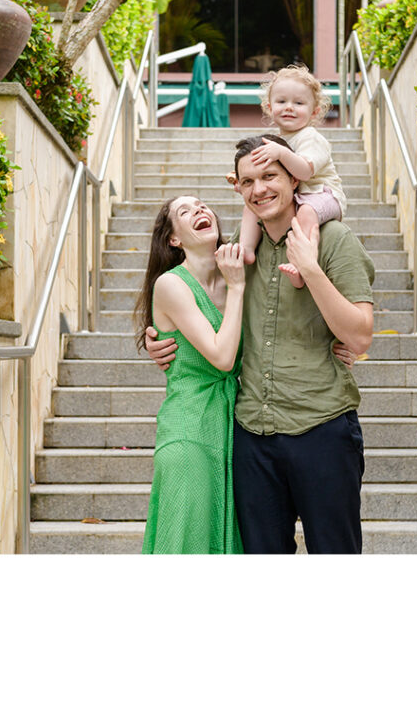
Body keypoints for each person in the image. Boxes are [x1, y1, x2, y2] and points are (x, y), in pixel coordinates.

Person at [146, 136, 374, 554]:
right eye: (248, 181)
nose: (260, 189)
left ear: (293, 180)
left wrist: (311, 270)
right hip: (252, 436)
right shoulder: (235, 253)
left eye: (270, 176)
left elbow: (360, 335)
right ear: (239, 188)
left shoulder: (335, 239)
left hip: (321, 427)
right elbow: (190, 297)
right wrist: (159, 341)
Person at [133, 195, 247, 554]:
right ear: (174, 239)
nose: (199, 210)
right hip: (189, 432)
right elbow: (222, 357)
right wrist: (239, 287)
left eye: (202, 204)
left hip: (232, 428)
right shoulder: (170, 285)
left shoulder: (234, 271)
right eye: (186, 211)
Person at [233, 64, 345, 289]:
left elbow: (304, 171)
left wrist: (281, 153)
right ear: (268, 107)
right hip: (299, 194)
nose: (289, 108)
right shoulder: (277, 140)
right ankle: (246, 249)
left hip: (323, 195)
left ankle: (304, 265)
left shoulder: (310, 138)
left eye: (299, 103)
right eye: (282, 102)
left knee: (306, 213)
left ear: (314, 112)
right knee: (252, 204)